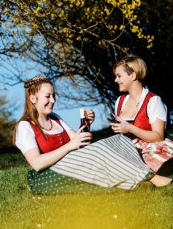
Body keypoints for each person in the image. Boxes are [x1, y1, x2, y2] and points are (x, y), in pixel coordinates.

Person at [13, 74, 154, 194]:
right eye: (48, 96)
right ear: (33, 99)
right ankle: (148, 177)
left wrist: (86, 125)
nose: (53, 100)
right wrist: (69, 146)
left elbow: (82, 144)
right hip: (44, 176)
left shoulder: (56, 119)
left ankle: (139, 180)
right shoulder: (25, 126)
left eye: (54, 96)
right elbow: (36, 163)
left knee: (119, 139)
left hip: (69, 165)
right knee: (98, 151)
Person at [109, 54, 173, 186]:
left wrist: (130, 128)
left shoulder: (153, 101)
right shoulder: (120, 101)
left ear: (133, 75)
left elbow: (158, 137)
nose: (116, 80)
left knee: (147, 157)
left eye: (119, 76)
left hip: (152, 146)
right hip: (130, 149)